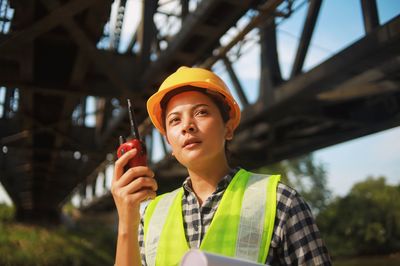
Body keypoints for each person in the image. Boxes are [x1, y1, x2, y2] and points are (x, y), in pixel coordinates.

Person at [111, 67, 332, 266]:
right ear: (170, 142)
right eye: (174, 120)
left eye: (201, 112)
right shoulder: (150, 215)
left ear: (228, 129)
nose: (187, 126)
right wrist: (127, 221)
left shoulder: (280, 201)